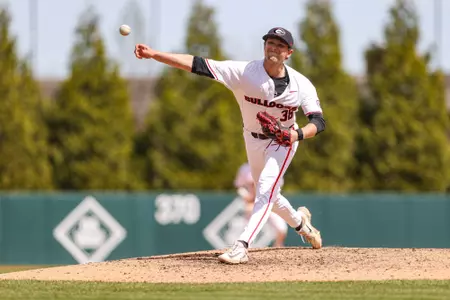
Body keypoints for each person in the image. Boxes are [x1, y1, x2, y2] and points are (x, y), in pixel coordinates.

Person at [134, 26, 326, 264]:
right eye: (270, 43)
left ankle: (242, 245)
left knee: (265, 190)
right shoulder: (245, 72)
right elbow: (197, 64)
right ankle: (301, 224)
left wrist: (295, 135)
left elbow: (318, 121)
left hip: (283, 143)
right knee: (271, 197)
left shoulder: (301, 84)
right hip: (252, 138)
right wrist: (155, 54)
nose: (273, 48)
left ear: (289, 53)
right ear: (264, 46)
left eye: (280, 45)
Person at [234, 162, 287, 247]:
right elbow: (238, 186)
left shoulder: (273, 165)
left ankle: (278, 247)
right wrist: (246, 196)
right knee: (247, 230)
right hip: (253, 203)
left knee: (281, 229)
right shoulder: (245, 168)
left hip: (270, 202)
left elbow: (279, 185)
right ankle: (244, 248)